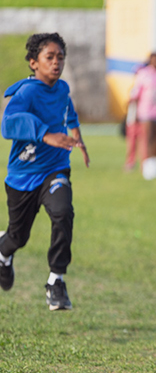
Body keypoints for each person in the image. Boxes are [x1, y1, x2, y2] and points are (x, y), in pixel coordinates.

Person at [0, 33, 90, 310]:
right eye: (49, 57)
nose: (56, 63)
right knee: (18, 237)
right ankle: (3, 254)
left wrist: (78, 137)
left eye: (60, 57)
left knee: (63, 212)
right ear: (33, 63)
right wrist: (45, 134)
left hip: (55, 169)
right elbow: (8, 124)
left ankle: (56, 280)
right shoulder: (27, 92)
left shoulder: (62, 89)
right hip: (23, 177)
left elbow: (68, 111)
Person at [129, 52, 156, 180]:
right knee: (147, 138)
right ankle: (145, 163)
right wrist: (134, 110)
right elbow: (137, 92)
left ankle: (154, 162)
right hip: (145, 111)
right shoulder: (144, 74)